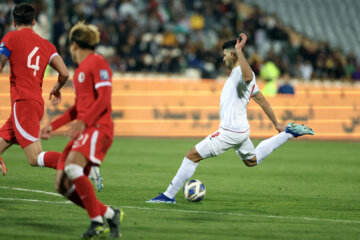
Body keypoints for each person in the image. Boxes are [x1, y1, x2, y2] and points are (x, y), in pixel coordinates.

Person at [147, 33, 314, 204]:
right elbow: (261, 100)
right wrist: (277, 124)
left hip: (230, 131)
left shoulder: (241, 73)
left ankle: (168, 196)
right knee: (252, 160)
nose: (223, 58)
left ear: (232, 54)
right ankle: (288, 133)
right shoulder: (239, 75)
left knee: (192, 155)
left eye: (225, 54)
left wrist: (240, 50)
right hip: (240, 131)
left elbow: (248, 77)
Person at [40, 22, 122, 239]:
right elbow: (78, 109)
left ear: (75, 45)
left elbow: (104, 99)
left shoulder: (98, 63)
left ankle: (96, 222)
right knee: (61, 184)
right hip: (86, 128)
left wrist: (84, 122)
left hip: (99, 128)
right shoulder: (80, 72)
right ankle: (110, 213)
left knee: (74, 169)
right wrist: (52, 126)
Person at [0, 3, 69, 175]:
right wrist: (57, 88)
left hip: (23, 103)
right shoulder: (46, 44)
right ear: (34, 22)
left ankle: (77, 165)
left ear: (14, 22)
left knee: (35, 157)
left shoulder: (10, 38)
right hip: (36, 104)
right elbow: (65, 73)